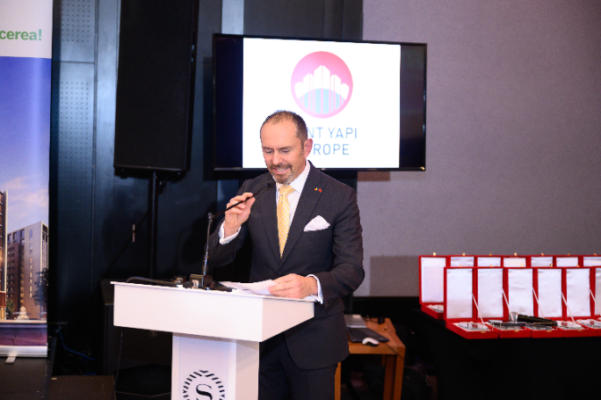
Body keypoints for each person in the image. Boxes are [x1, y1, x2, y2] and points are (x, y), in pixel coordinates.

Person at [208, 110, 364, 400]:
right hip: (260, 339)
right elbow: (216, 259)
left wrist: (311, 284)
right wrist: (230, 227)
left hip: (314, 341)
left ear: (307, 147)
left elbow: (352, 269)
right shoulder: (253, 189)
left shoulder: (339, 196)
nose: (276, 160)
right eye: (268, 151)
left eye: (285, 150)